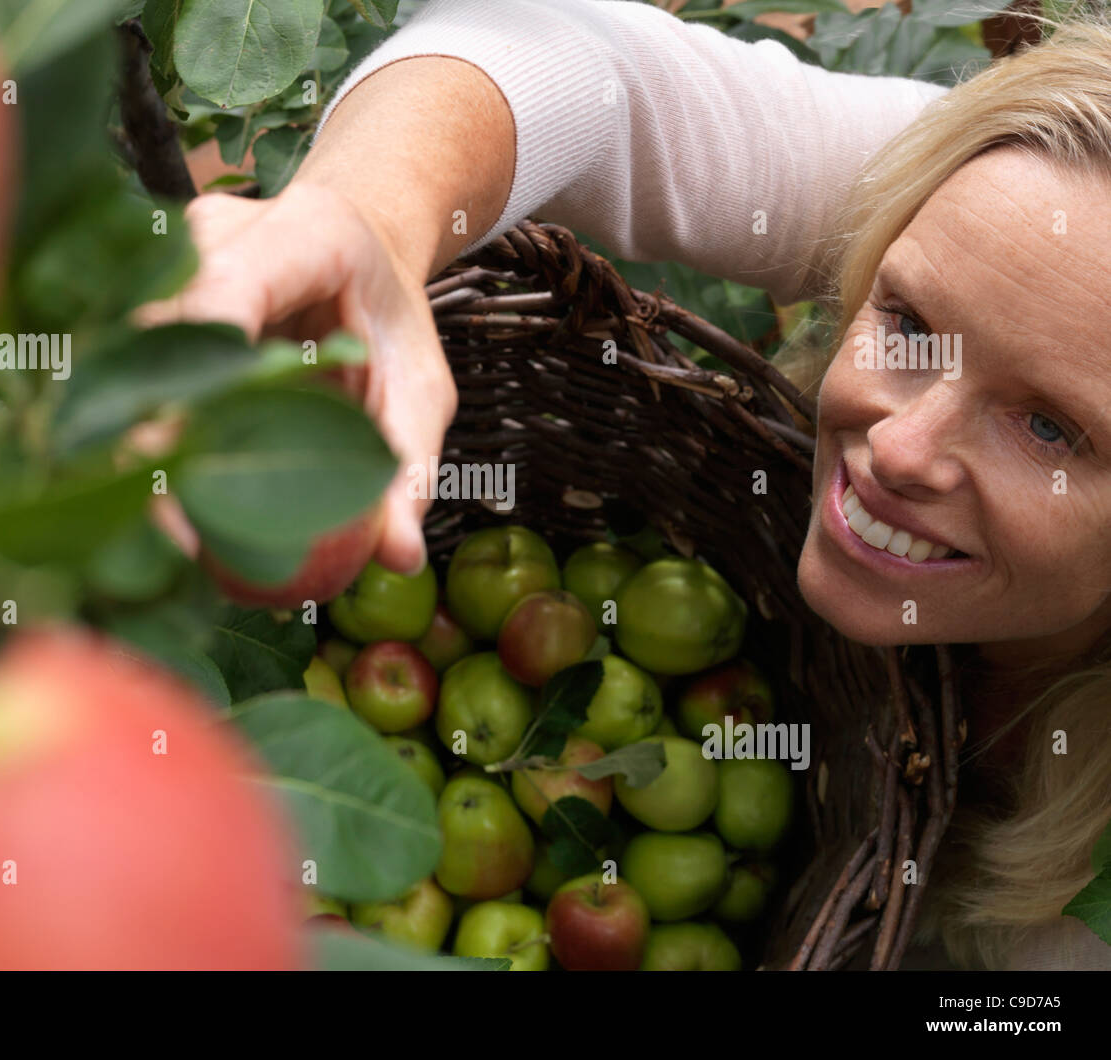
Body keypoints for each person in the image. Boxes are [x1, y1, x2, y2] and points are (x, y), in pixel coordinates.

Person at [136, 0, 1111, 970]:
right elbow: (586, 68)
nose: (901, 449)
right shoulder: (1016, 205)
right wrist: (364, 223)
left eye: (1048, 427)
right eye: (905, 322)